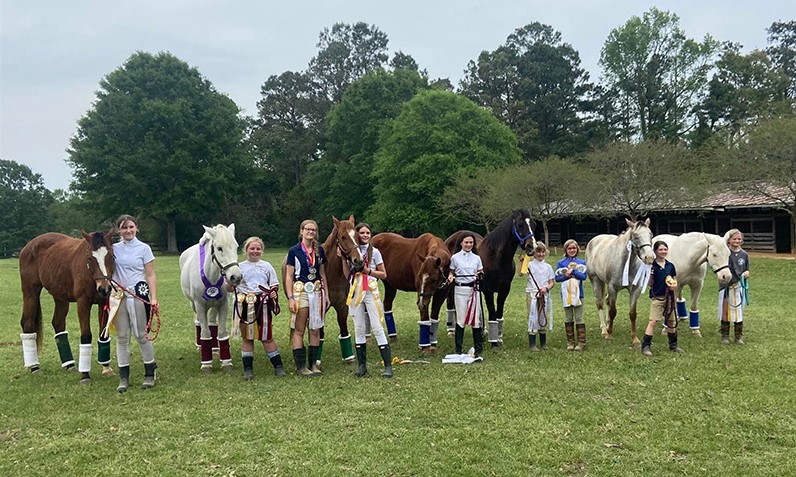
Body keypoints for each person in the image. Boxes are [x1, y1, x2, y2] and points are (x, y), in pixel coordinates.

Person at [111, 215, 158, 392]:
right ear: (119, 231)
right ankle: (124, 377)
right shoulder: (113, 249)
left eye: (131, 227)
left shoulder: (144, 248)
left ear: (136, 228)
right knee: (122, 337)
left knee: (141, 335)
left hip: (138, 294)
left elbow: (151, 274)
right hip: (119, 296)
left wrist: (153, 298)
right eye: (124, 228)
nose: (128, 231)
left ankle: (149, 372)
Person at [228, 237, 285, 380]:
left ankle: (278, 366)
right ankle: (248, 369)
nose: (255, 251)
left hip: (262, 304)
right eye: (252, 248)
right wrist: (231, 283)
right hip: (244, 304)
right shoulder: (238, 267)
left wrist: (272, 292)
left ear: (262, 250)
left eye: (258, 248)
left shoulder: (267, 266)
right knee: (247, 337)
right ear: (246, 250)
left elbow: (274, 284)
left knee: (267, 336)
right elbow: (228, 288)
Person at [341, 223, 393, 378]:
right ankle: (362, 366)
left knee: (377, 327)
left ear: (370, 235)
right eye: (361, 233)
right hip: (355, 290)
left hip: (370, 290)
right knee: (359, 328)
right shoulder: (351, 251)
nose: (364, 235)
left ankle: (388, 366)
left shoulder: (375, 252)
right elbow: (346, 275)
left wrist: (367, 271)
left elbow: (383, 274)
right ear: (357, 235)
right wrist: (343, 260)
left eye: (367, 233)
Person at [285, 220, 327, 376]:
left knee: (315, 328)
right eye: (308, 229)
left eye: (314, 230)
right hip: (301, 291)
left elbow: (322, 274)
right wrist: (290, 297)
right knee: (300, 328)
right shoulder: (294, 251)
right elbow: (289, 276)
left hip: (316, 291)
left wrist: (326, 294)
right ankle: (301, 366)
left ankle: (314, 364)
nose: (311, 232)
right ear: (301, 231)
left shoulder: (319, 251)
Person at [446, 233, 485, 357]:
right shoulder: (455, 258)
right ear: (461, 243)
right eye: (466, 242)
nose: (468, 245)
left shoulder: (477, 258)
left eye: (471, 243)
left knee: (476, 318)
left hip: (474, 290)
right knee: (461, 319)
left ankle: (478, 348)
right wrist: (451, 277)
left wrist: (480, 275)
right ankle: (458, 349)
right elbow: (451, 271)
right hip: (460, 290)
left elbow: (480, 271)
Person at [641, 240, 682, 356]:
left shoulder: (670, 265)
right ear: (655, 251)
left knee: (671, 321)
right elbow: (649, 283)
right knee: (653, 321)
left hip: (669, 297)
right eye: (660, 249)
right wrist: (650, 275)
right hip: (657, 297)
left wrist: (675, 284)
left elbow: (674, 278)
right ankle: (646, 345)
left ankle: (673, 344)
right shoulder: (651, 266)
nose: (663, 251)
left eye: (665, 249)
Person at [718, 229, 750, 345]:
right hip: (726, 287)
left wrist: (746, 273)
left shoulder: (744, 255)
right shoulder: (725, 253)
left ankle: (738, 336)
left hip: (738, 286)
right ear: (729, 240)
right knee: (725, 311)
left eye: (739, 239)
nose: (737, 241)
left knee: (738, 312)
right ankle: (725, 335)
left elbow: (746, 268)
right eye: (734, 239)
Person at [555, 239, 588, 351]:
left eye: (574, 248)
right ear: (566, 250)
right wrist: (566, 275)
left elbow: (583, 277)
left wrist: (573, 271)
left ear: (577, 249)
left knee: (579, 317)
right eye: (569, 248)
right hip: (566, 294)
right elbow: (557, 278)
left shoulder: (582, 262)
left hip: (579, 294)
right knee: (568, 317)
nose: (572, 250)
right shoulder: (561, 263)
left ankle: (581, 342)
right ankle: (570, 342)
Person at [521, 242, 555, 352]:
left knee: (542, 316)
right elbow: (521, 273)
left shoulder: (548, 267)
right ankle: (532, 344)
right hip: (532, 294)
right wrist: (522, 263)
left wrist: (546, 288)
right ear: (534, 253)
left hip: (543, 294)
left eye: (542, 252)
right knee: (533, 316)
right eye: (538, 252)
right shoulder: (530, 265)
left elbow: (551, 282)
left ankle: (543, 343)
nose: (540, 254)